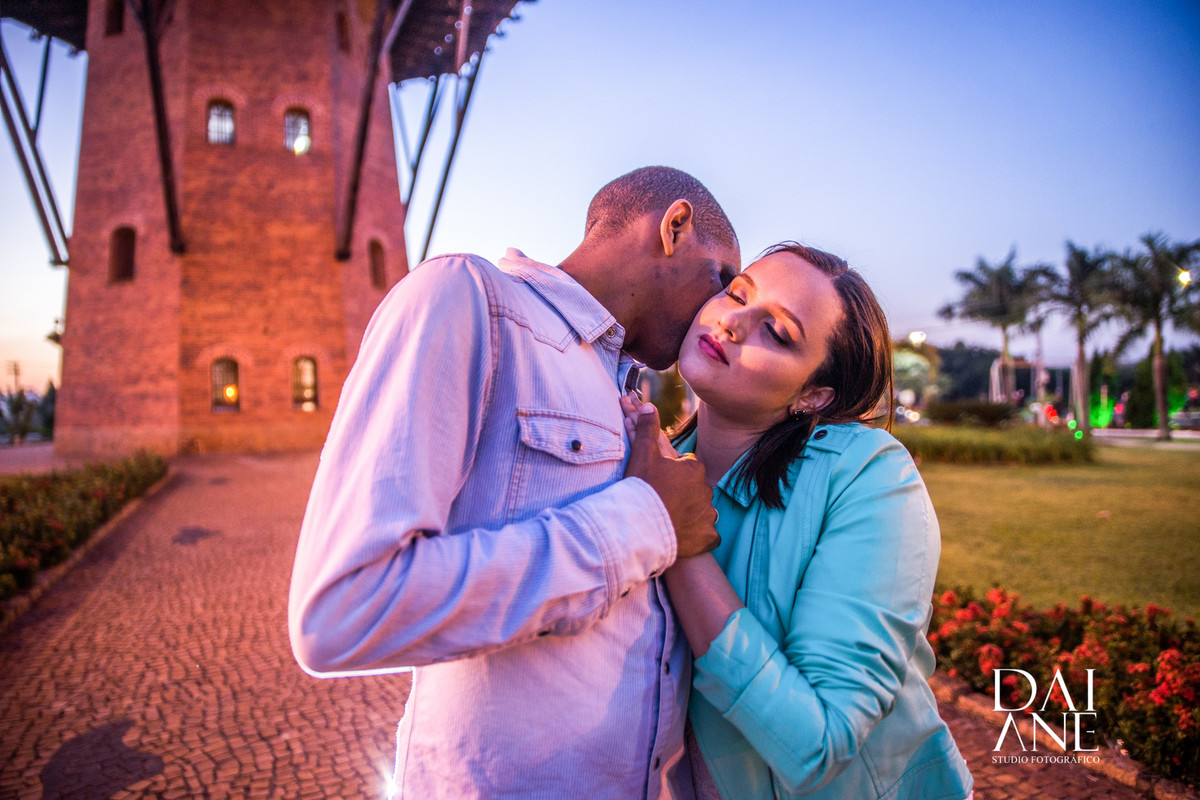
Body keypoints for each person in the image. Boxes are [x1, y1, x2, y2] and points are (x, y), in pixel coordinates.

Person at [288, 166, 741, 799]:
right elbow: (344, 608)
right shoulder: (470, 300)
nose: (718, 308)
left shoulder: (622, 391)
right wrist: (645, 522)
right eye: (721, 277)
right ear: (674, 226)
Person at [620, 243, 974, 799]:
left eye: (777, 332)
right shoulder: (644, 457)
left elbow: (819, 745)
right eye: (737, 295)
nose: (733, 323)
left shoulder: (867, 475)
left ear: (813, 395)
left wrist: (684, 548)